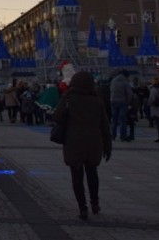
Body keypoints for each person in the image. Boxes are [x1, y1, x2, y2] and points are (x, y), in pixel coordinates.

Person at [52, 70, 111, 220]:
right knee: (92, 174)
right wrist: (107, 146)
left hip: (74, 142)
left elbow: (57, 117)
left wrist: (65, 97)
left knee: (77, 177)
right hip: (93, 142)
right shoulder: (97, 101)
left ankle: (82, 207)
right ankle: (95, 203)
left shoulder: (69, 99)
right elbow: (105, 126)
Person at [109, 70, 133, 141]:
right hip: (123, 102)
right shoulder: (125, 82)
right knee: (122, 120)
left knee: (114, 119)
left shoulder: (113, 80)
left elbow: (111, 90)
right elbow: (129, 94)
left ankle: (113, 135)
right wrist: (128, 102)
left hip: (113, 101)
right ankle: (123, 136)